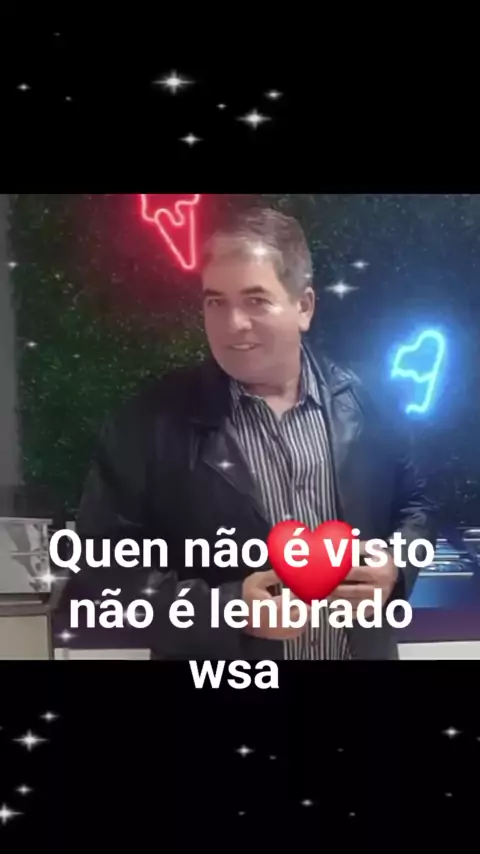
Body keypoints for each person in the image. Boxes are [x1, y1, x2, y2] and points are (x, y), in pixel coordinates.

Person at [58, 205, 437, 660]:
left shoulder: (371, 402)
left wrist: (397, 567)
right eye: (216, 301)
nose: (232, 324)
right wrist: (227, 610)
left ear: (304, 306)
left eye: (255, 300)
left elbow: (416, 506)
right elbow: (99, 570)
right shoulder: (148, 423)